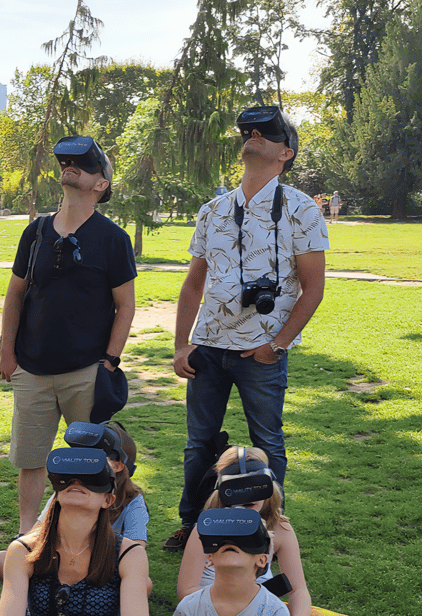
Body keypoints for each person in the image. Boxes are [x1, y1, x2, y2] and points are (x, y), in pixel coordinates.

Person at [166, 106, 328, 551]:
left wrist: (276, 345)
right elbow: (193, 283)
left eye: (265, 132)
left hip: (262, 351)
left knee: (267, 441)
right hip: (208, 348)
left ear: (285, 152)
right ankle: (193, 523)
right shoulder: (213, 210)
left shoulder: (301, 211)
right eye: (248, 131)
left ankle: (270, 527)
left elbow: (313, 288)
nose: (252, 135)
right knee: (198, 444)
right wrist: (182, 345)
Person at [0, 135, 136, 535]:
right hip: (32, 368)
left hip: (86, 371)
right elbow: (15, 294)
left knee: (94, 459)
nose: (70, 167)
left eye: (83, 164)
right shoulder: (36, 232)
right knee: (30, 459)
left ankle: (93, 533)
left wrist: (109, 361)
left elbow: (125, 305)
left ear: (101, 184)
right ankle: (28, 534)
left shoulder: (113, 239)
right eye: (67, 162)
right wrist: (8, 352)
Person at [0, 447, 149, 616]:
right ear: (56, 494)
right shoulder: (23, 550)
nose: (76, 482)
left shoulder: (130, 554)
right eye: (67, 477)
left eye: (91, 478)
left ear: (108, 500)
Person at [0, 420, 149, 579]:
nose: (82, 462)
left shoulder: (133, 500)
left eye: (93, 457)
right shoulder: (69, 489)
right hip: (59, 561)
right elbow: (37, 533)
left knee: (144, 583)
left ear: (118, 465)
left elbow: (137, 549)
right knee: (1, 559)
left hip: (103, 567)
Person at [176, 446, 309, 616]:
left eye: (254, 486)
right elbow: (186, 590)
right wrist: (228, 604)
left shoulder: (280, 529)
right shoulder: (207, 528)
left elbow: (298, 591)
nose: (246, 499)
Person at [174, 508, 289, 616]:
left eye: (244, 538)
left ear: (262, 560)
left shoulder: (274, 611)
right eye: (220, 538)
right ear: (210, 558)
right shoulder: (188, 608)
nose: (230, 542)